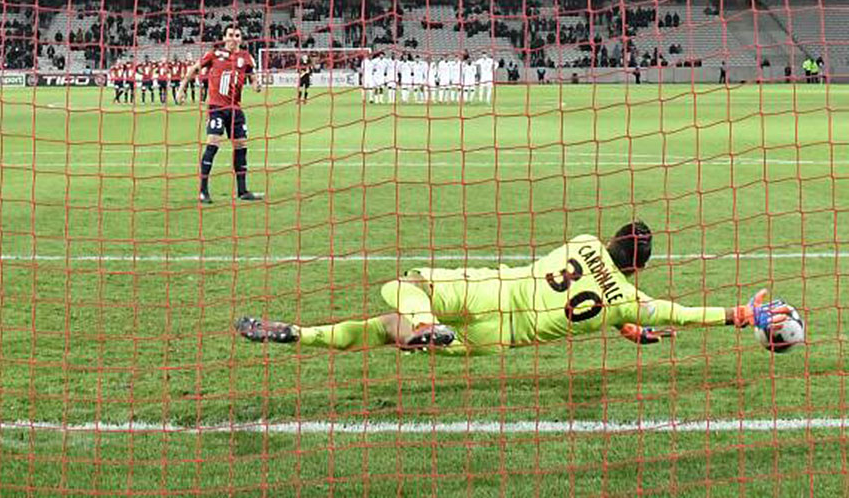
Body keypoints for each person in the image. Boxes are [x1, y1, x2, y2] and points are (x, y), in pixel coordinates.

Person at [235, 221, 791, 355]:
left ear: (616, 236)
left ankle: (306, 333)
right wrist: (739, 314)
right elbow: (681, 311)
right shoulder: (627, 299)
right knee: (390, 332)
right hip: (505, 336)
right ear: (640, 268)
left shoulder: (582, 242)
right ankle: (433, 333)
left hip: (492, 291)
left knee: (397, 295)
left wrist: (626, 318)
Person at [177, 25, 263, 204]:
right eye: (230, 35)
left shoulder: (246, 57)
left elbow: (253, 76)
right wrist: (181, 88)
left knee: (241, 146)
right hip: (216, 107)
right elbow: (194, 68)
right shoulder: (214, 54)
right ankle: (203, 191)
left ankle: (242, 191)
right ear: (224, 37)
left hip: (236, 110)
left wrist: (256, 84)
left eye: (237, 35)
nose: (233, 38)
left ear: (241, 38)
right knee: (213, 145)